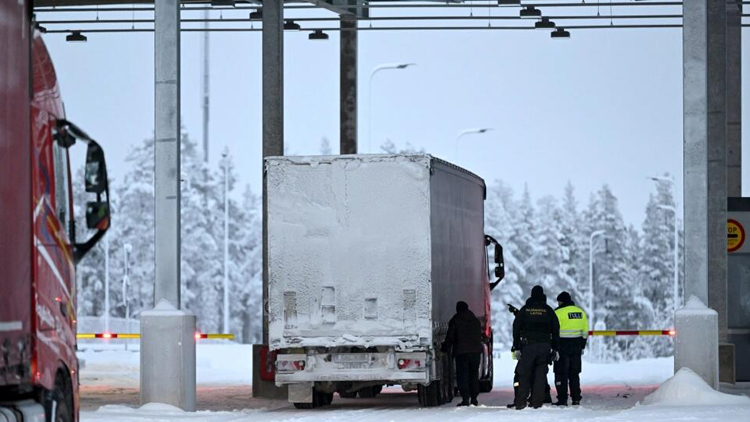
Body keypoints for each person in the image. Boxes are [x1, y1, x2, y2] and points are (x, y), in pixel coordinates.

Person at [512, 285, 560, 410]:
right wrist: (555, 348)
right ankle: (537, 403)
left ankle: (521, 402)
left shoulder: (525, 310)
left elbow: (516, 327)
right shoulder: (548, 310)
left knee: (524, 373)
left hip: (528, 347)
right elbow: (556, 329)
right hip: (544, 347)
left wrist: (516, 346)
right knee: (540, 375)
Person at [442, 301, 483, 406]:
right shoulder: (475, 321)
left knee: (463, 376)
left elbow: (450, 337)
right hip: (475, 353)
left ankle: (465, 399)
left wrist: (444, 348)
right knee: (473, 375)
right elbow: (479, 336)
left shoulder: (455, 320)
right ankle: (474, 398)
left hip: (462, 353)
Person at [553, 291, 589, 406]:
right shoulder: (581, 312)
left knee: (561, 373)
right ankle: (576, 398)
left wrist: (554, 347)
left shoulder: (557, 313)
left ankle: (562, 399)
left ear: (561, 301)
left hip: (562, 346)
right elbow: (585, 332)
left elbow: (553, 331)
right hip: (576, 345)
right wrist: (582, 346)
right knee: (574, 373)